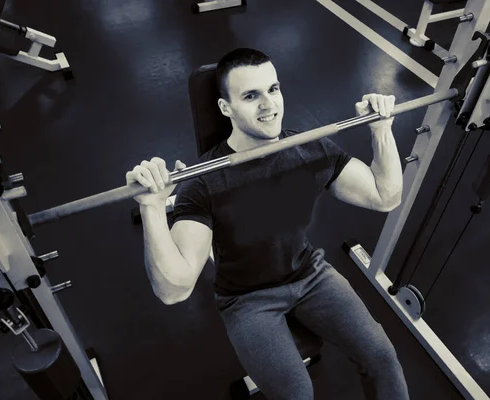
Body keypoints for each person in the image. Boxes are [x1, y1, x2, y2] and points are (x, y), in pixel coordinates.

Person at [127, 48, 409, 399]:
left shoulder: (309, 151)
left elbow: (385, 196)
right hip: (248, 299)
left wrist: (381, 129)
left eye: (273, 89)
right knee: (296, 394)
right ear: (225, 108)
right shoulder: (204, 183)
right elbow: (175, 290)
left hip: (311, 275)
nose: (269, 105)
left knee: (383, 357)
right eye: (251, 96)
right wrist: (153, 207)